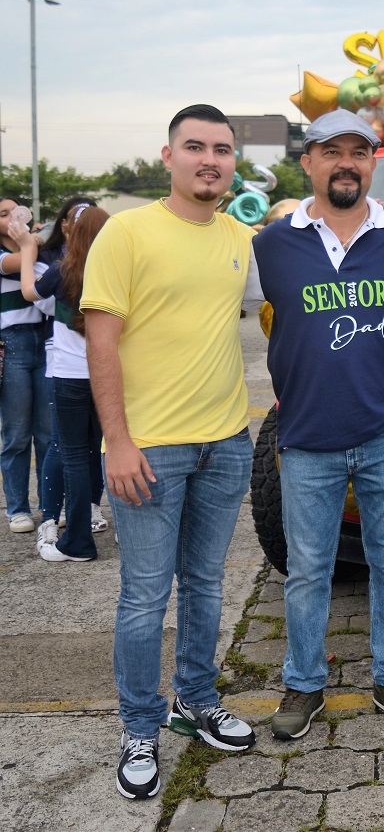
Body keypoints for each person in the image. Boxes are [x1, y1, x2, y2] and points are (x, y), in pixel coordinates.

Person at [82, 104, 259, 800]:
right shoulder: (127, 232)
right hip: (148, 451)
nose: (209, 159)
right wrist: (118, 442)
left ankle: (196, 698)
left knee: (208, 585)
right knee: (143, 598)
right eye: (195, 147)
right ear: (168, 155)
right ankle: (139, 727)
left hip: (226, 442)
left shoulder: (240, 238)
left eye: (221, 148)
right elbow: (101, 341)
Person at [253, 109, 384, 740]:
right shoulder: (271, 244)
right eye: (332, 151)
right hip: (306, 438)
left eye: (359, 151)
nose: (346, 162)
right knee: (307, 570)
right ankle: (303, 685)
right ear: (309, 162)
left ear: (373, 162)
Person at [10, 205, 109, 561]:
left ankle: (78, 542)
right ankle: (112, 530)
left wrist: (26, 250)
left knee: (74, 457)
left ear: (73, 233)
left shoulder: (61, 270)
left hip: (68, 376)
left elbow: (29, 293)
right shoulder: (119, 271)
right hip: (109, 375)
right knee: (103, 450)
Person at [0, 198, 55, 534]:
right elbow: (22, 261)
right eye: (3, 214)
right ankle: (18, 508)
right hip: (14, 344)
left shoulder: (35, 245)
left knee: (49, 434)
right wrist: (32, 240)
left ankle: (50, 506)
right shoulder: (12, 253)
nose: (12, 217)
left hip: (45, 339)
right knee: (16, 434)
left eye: (15, 211)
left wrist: (35, 240)